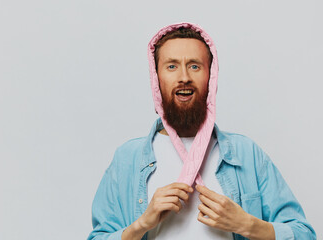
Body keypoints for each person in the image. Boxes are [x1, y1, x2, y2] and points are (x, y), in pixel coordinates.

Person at [87, 23, 316, 240]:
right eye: (172, 66)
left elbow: (304, 233)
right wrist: (142, 224)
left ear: (211, 77)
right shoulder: (128, 159)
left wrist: (246, 224)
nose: (184, 77)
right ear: (156, 79)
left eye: (194, 66)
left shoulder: (247, 154)